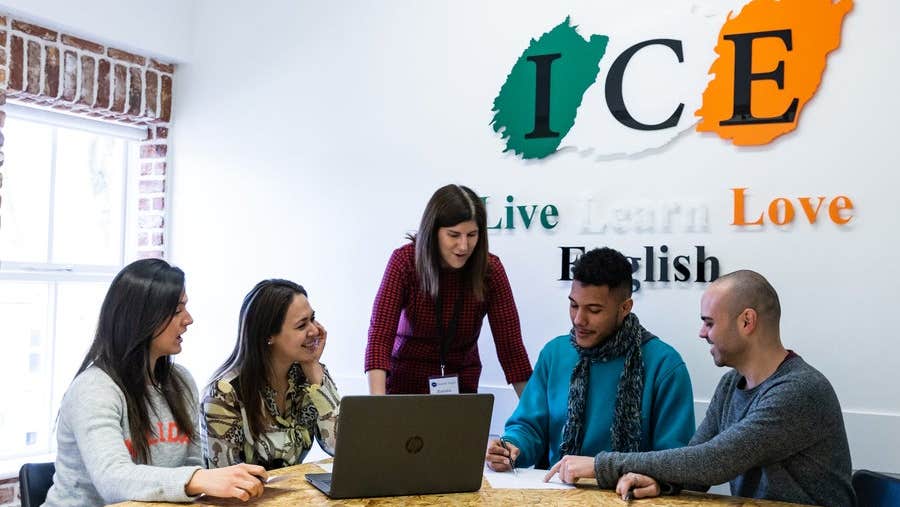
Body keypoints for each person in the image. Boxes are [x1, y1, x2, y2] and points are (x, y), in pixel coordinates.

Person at [546, 270, 856, 507]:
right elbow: (695, 463)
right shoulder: (731, 384)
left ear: (747, 321)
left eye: (709, 322)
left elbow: (712, 461)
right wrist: (664, 484)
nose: (701, 332)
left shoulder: (799, 391)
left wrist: (600, 464)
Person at [43, 259, 267, 507]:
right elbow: (113, 480)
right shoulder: (94, 389)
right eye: (177, 310)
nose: (188, 319)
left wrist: (203, 479)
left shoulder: (181, 381)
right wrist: (200, 479)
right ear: (143, 317)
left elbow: (192, 465)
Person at [485, 247, 695, 472]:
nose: (578, 319)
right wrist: (510, 448)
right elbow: (529, 427)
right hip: (557, 494)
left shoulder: (665, 365)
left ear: (625, 307)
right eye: (574, 305)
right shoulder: (554, 353)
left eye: (594, 310)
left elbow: (675, 460)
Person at [365, 184, 532, 395]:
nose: (463, 246)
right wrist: (378, 407)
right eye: (454, 235)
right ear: (433, 232)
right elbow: (380, 337)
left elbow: (512, 349)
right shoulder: (405, 262)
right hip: (404, 388)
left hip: (461, 391)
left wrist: (533, 419)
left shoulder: (490, 270)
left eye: (472, 235)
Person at [202, 279, 340, 470]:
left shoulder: (309, 376)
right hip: (247, 498)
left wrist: (313, 368)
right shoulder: (225, 392)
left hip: (291, 495)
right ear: (268, 335)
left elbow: (340, 446)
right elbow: (226, 479)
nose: (315, 330)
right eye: (302, 325)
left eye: (312, 318)